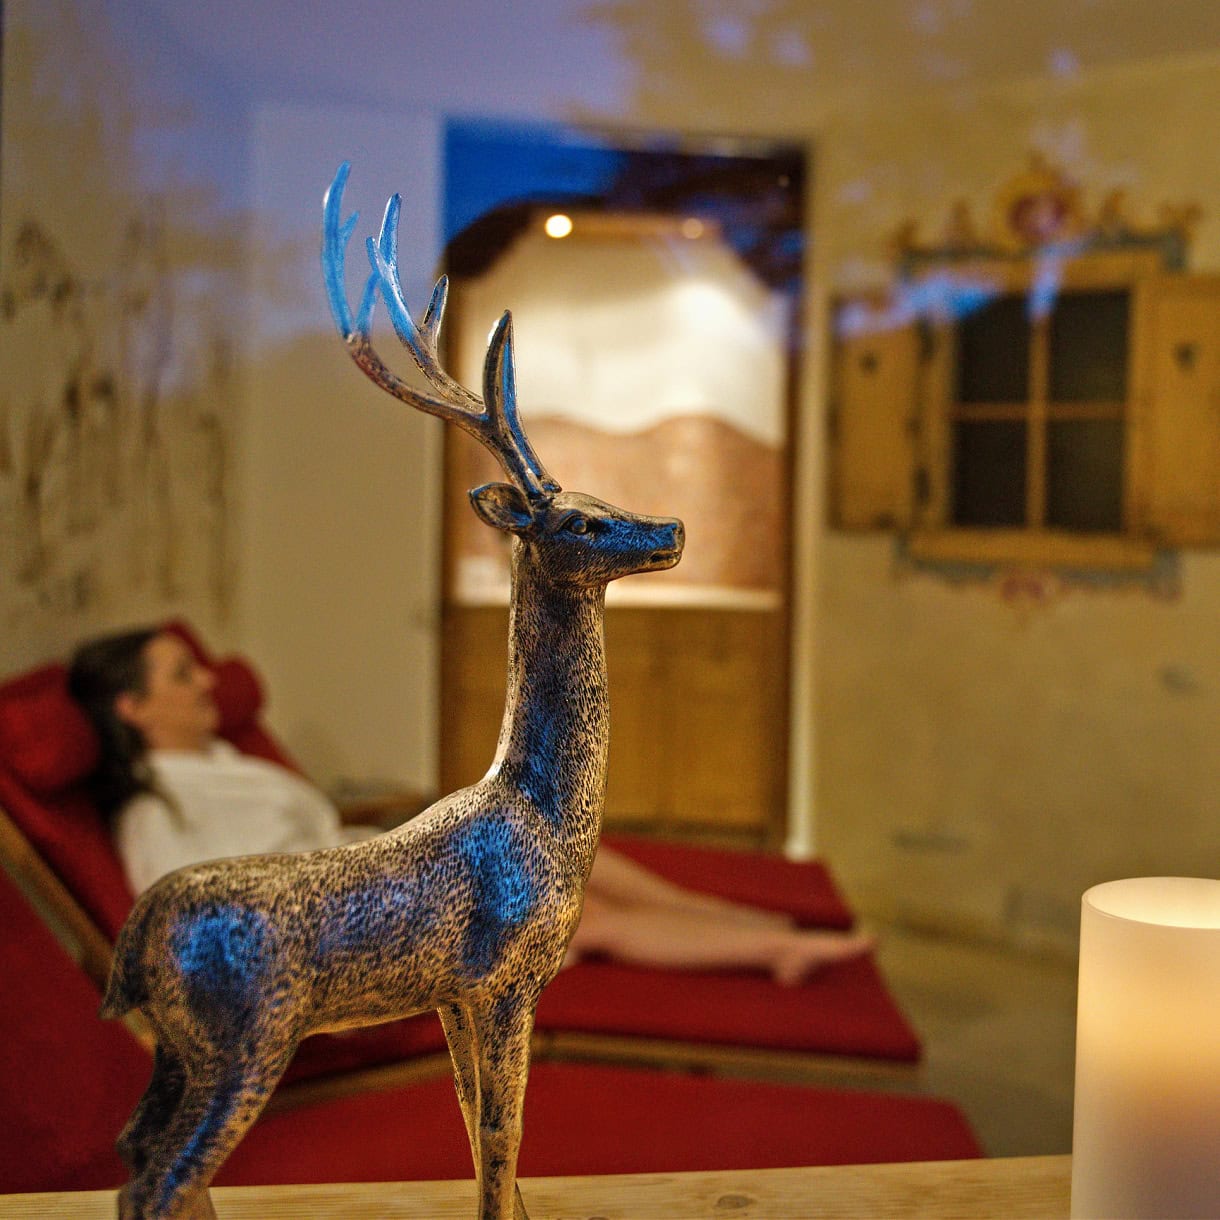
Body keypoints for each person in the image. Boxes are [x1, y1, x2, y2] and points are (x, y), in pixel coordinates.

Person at [69, 626, 873, 986]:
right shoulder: (155, 814)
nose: (209, 680)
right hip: (348, 927)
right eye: (182, 675)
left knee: (548, 834)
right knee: (579, 916)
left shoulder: (218, 758)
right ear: (131, 709)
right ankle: (774, 949)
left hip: (377, 869)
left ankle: (720, 916)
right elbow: (191, 923)